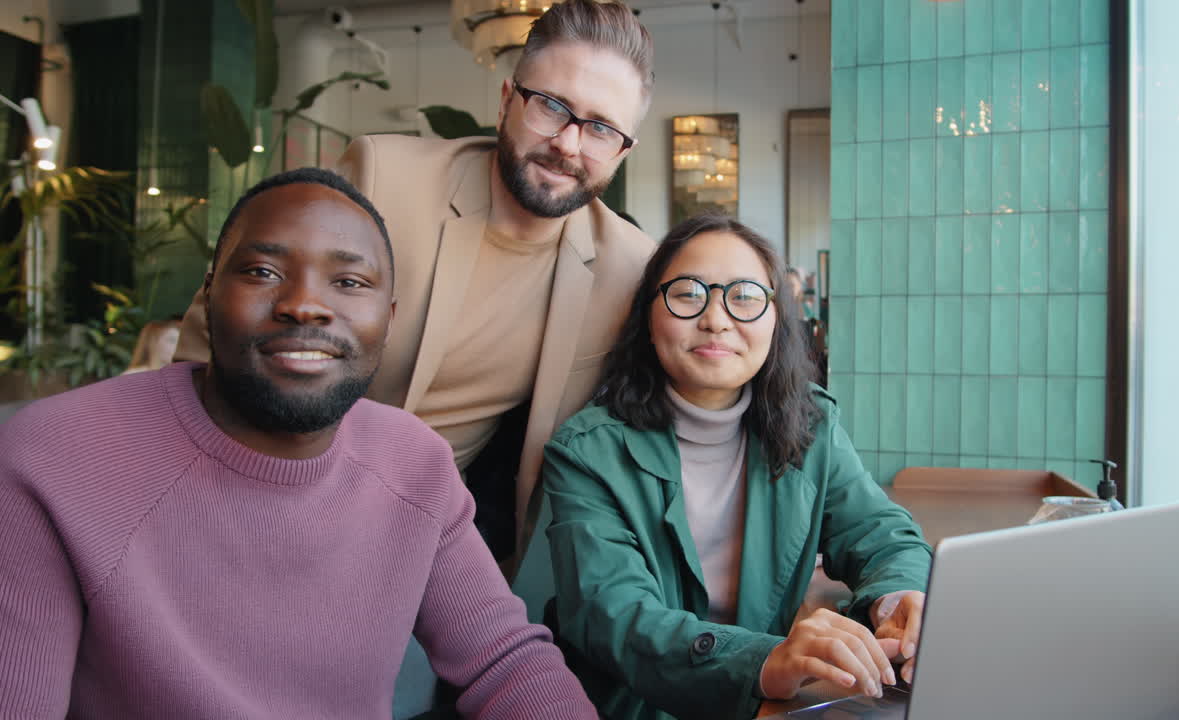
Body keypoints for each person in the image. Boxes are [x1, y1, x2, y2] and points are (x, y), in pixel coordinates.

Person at [0, 168, 596, 720]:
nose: (305, 304)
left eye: (349, 281)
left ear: (388, 319)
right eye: (262, 272)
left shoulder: (414, 464)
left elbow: (506, 662)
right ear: (208, 296)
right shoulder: (50, 460)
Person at [175, 0, 655, 567]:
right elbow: (219, 328)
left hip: (424, 537)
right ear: (506, 101)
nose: (569, 145)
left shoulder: (630, 266)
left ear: (624, 149)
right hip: (254, 486)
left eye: (601, 128)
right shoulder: (385, 176)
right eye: (551, 106)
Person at [542, 214, 934, 720]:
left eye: (745, 296)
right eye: (688, 293)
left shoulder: (810, 424)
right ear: (648, 314)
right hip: (626, 707)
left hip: (762, 705)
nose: (717, 320)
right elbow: (612, 615)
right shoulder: (587, 452)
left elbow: (880, 534)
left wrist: (896, 600)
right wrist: (765, 660)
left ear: (775, 316)